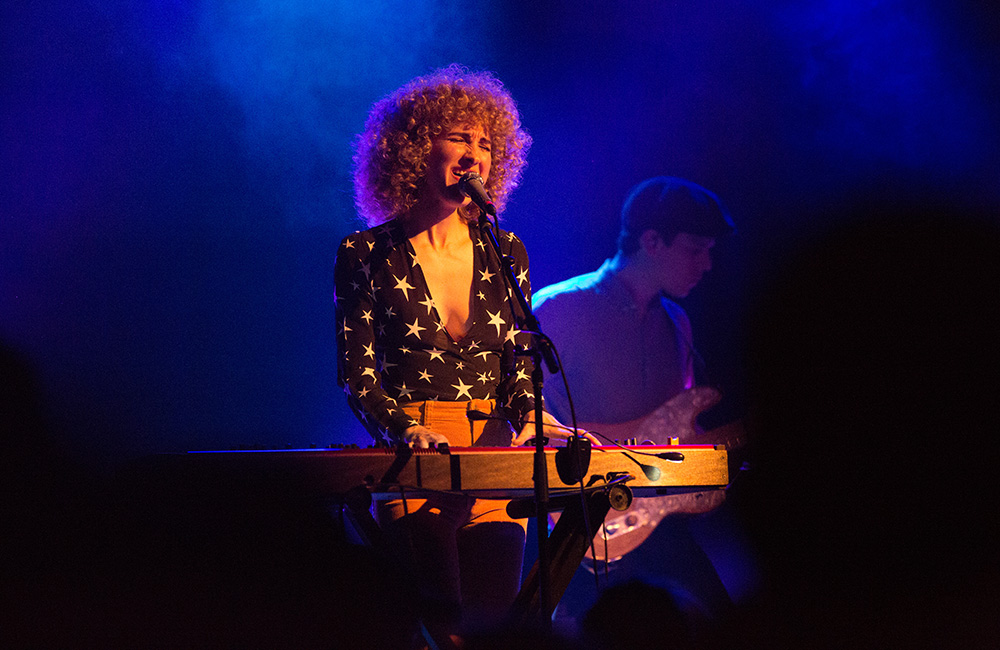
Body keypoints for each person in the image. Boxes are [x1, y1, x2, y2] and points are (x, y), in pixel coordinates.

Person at [335, 64, 571, 640]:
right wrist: (402, 428)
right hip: (416, 456)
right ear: (417, 148)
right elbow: (357, 376)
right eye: (460, 138)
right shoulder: (366, 252)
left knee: (499, 629)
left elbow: (517, 363)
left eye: (486, 144)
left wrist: (532, 415)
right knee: (443, 630)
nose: (475, 155)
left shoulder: (504, 249)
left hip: (494, 453)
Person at [533, 177, 754, 631]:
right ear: (651, 241)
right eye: (696, 249)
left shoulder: (677, 323)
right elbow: (526, 417)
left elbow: (681, 428)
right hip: (579, 520)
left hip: (661, 520)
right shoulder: (556, 310)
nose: (707, 264)